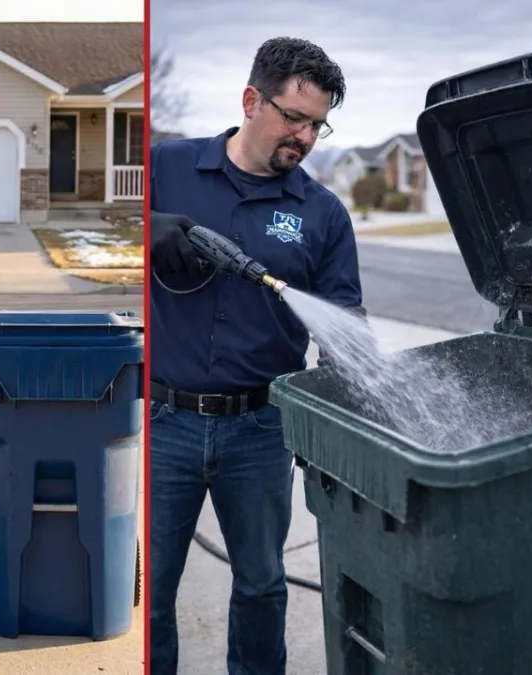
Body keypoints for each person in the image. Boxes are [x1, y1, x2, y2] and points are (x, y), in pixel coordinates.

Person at [148, 37, 363, 675]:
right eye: (293, 117)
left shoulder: (322, 214)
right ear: (250, 100)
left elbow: (345, 321)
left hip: (261, 430)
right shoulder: (166, 168)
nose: (304, 136)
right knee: (154, 592)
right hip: (163, 424)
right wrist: (143, 229)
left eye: (317, 124)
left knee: (263, 585)